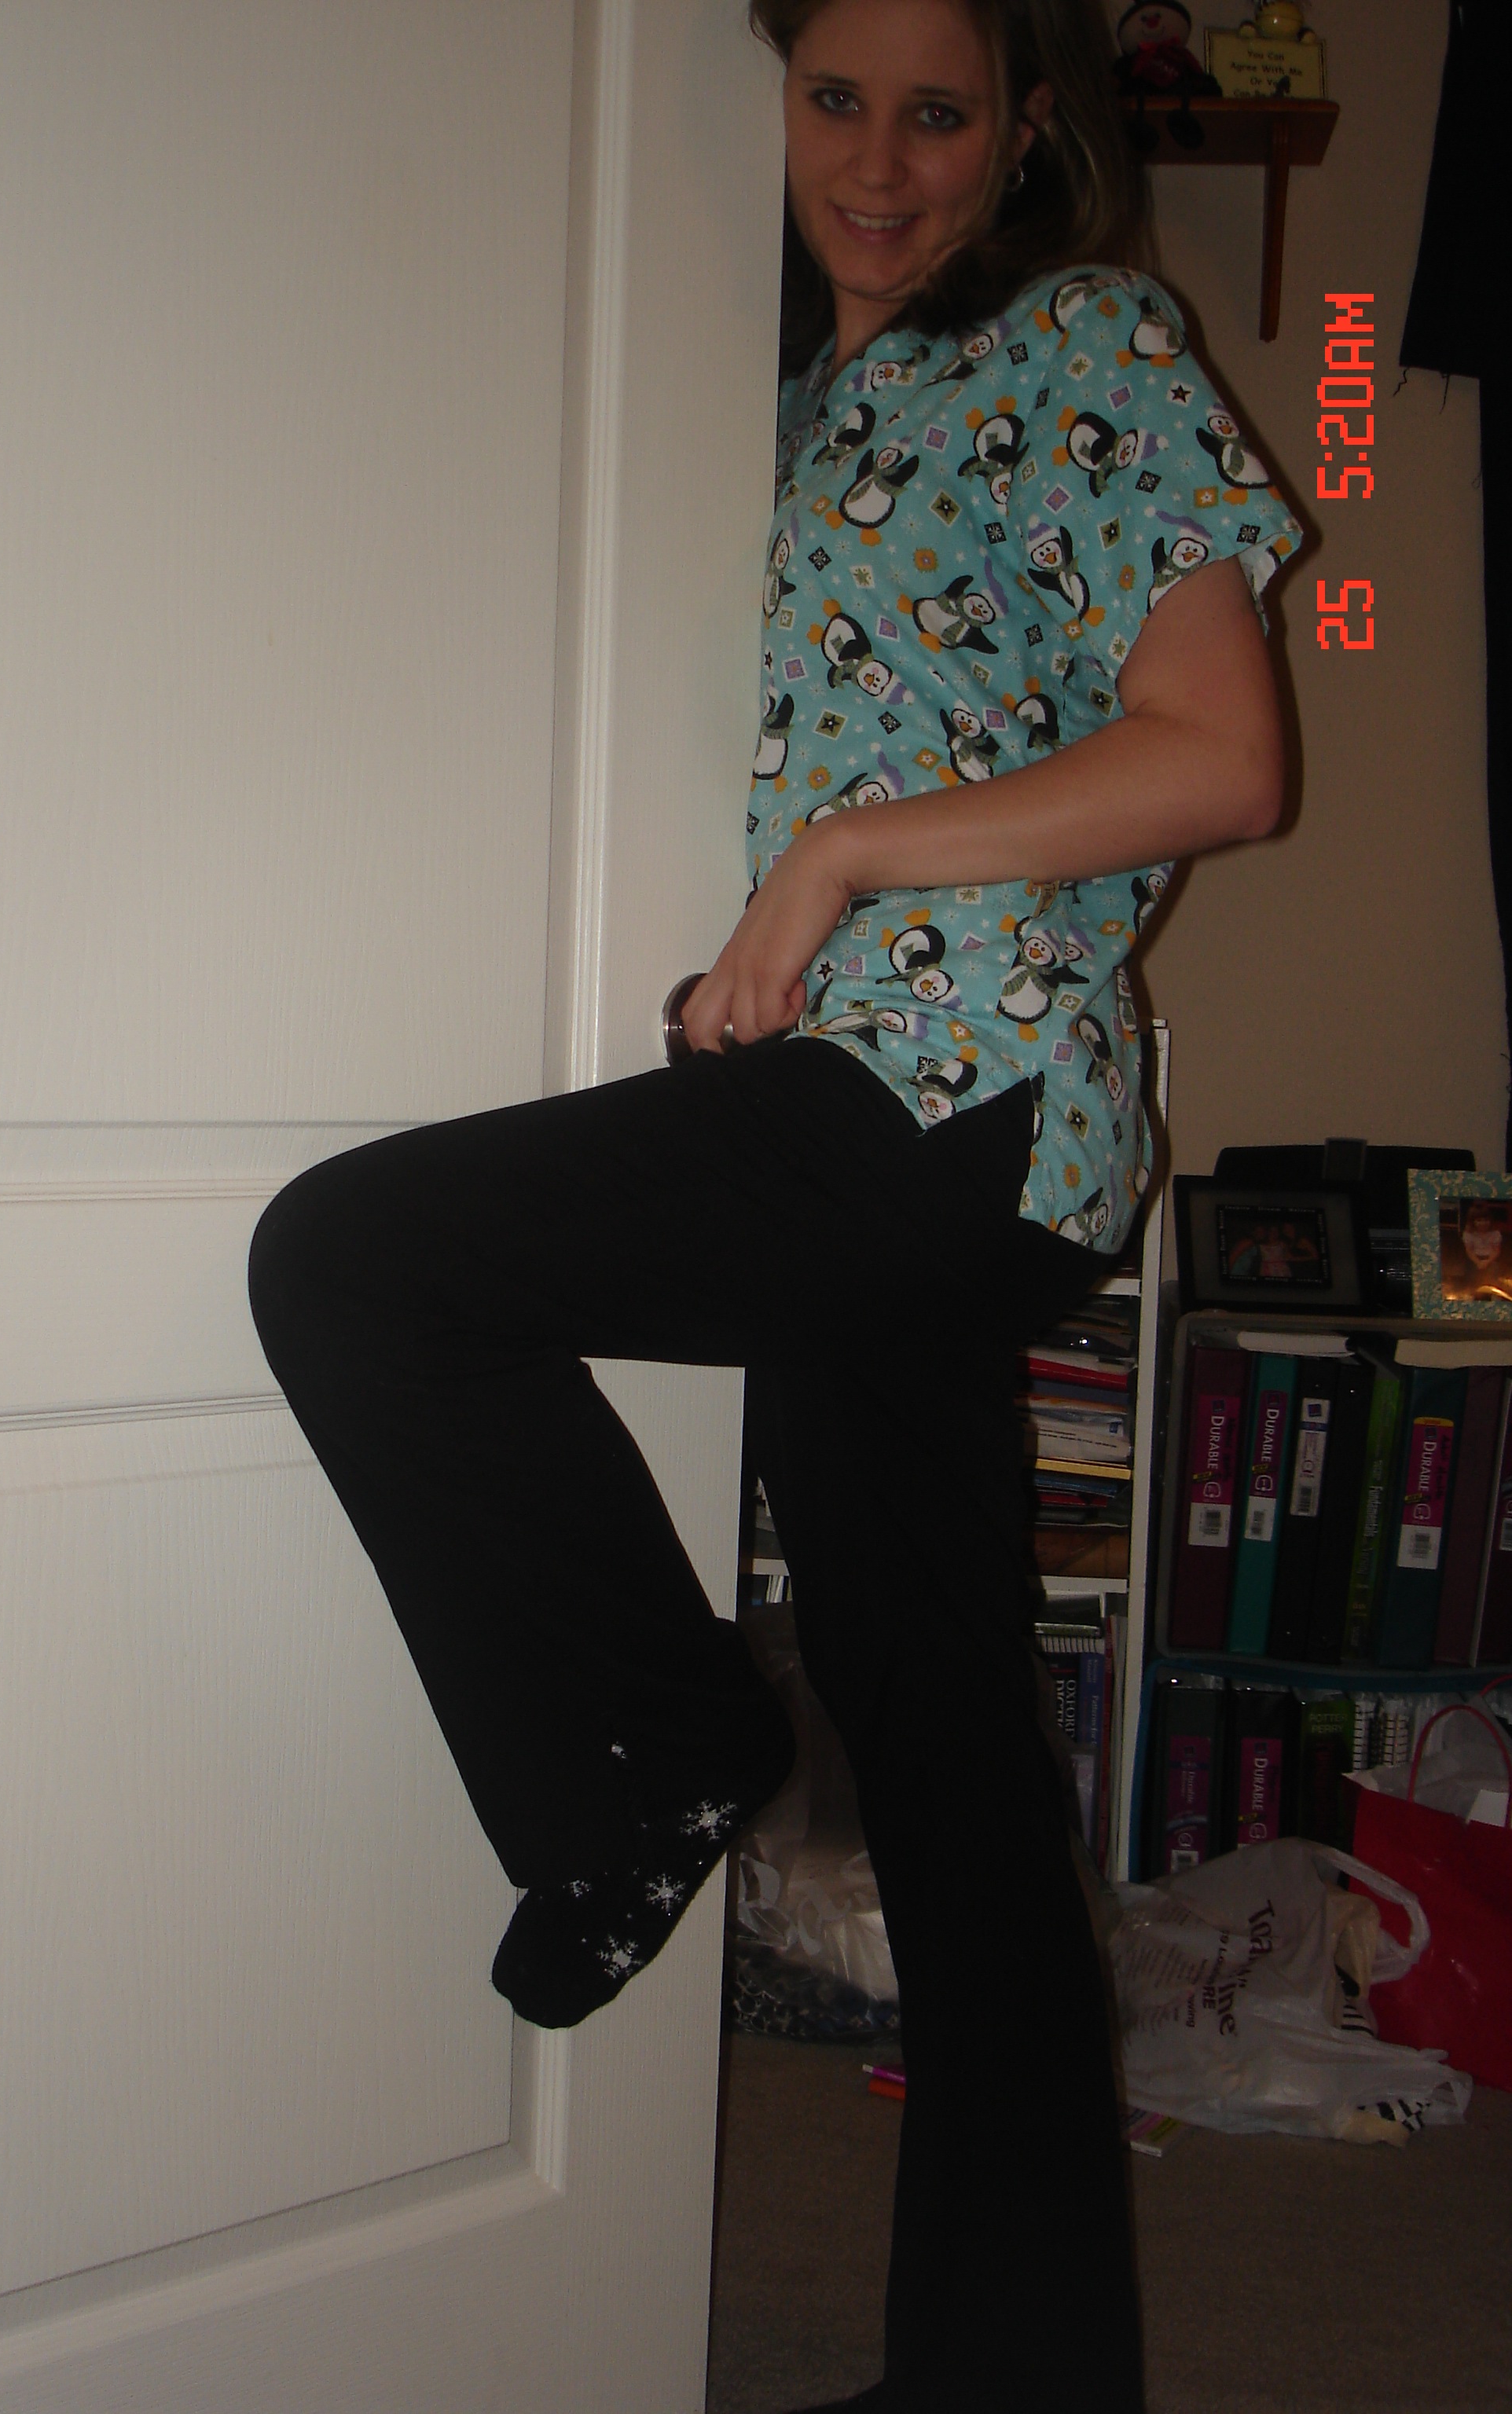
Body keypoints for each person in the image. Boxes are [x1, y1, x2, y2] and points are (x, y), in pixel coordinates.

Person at [248, 0, 1301, 2404]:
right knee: (948, 1762)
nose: (881, 161)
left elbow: (1226, 756)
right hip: (897, 1123)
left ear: (1022, 131)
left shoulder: (1081, 342)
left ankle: (658, 1753)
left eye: (940, 112)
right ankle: (1013, 2379)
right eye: (838, 99)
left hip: (942, 1096)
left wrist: (833, 863)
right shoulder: (773, 398)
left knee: (359, 1263)